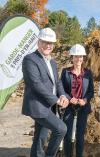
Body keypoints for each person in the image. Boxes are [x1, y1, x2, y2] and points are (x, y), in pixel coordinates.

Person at [22, 27, 69, 157]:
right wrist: (56, 100)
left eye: (51, 43)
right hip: (38, 106)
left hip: (48, 107)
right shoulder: (30, 59)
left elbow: (57, 82)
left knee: (40, 138)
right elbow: (36, 84)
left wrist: (63, 95)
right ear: (38, 42)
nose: (48, 45)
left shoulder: (52, 62)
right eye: (45, 42)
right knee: (61, 129)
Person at [61, 44, 94, 157]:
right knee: (68, 135)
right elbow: (61, 90)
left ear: (83, 58)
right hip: (69, 108)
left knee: (80, 136)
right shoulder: (65, 72)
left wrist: (85, 100)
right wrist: (70, 99)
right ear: (72, 58)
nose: (78, 59)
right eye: (76, 56)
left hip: (83, 108)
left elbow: (91, 91)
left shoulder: (88, 73)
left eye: (80, 56)